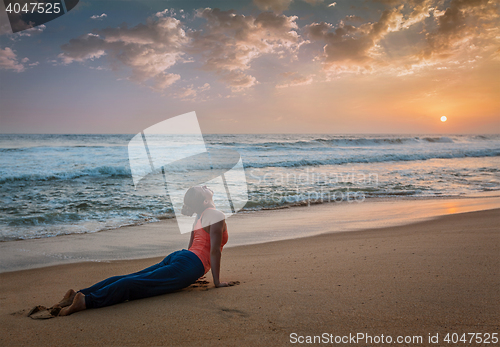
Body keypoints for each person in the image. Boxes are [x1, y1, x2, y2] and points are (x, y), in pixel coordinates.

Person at [58, 185, 236, 316]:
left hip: (182, 257)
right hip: (188, 263)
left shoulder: (200, 216)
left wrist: (196, 270)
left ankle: (79, 293)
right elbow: (214, 251)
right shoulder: (216, 215)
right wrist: (217, 281)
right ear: (205, 200)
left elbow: (192, 246)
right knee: (135, 284)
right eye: (203, 188)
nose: (205, 186)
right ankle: (86, 300)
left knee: (131, 277)